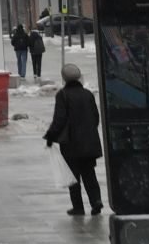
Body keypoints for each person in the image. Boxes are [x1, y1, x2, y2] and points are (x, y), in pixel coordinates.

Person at [44, 62, 104, 216]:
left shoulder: (62, 95)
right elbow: (96, 117)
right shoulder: (88, 94)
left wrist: (51, 137)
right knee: (89, 174)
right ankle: (96, 201)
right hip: (90, 143)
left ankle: (78, 207)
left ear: (64, 78)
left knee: (73, 177)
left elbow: (59, 119)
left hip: (71, 143)